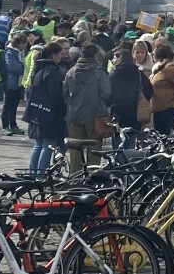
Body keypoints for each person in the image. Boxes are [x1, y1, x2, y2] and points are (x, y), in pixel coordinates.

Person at [63, 43, 110, 173]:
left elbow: (65, 94)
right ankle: (92, 178)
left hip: (74, 115)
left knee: (75, 151)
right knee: (94, 150)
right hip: (95, 115)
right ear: (95, 55)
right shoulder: (98, 73)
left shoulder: (71, 72)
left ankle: (75, 178)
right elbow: (106, 93)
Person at [23, 42, 68, 175]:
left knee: (38, 145)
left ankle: (33, 173)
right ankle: (41, 175)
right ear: (53, 55)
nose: (61, 56)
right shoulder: (53, 71)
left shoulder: (39, 68)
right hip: (50, 114)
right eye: (59, 54)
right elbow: (55, 94)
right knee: (48, 145)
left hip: (37, 111)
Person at [108, 42, 154, 149]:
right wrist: (142, 98)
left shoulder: (114, 74)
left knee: (118, 139)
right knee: (132, 139)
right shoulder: (138, 73)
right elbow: (150, 90)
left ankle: (119, 162)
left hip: (118, 111)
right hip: (134, 111)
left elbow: (108, 93)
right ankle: (129, 161)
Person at [0, 32, 27, 136]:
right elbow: (13, 67)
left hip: (19, 82)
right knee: (8, 104)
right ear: (17, 43)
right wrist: (24, 67)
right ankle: (5, 126)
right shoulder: (9, 53)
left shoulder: (21, 52)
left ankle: (13, 124)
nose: (24, 45)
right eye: (22, 43)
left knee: (15, 104)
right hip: (11, 82)